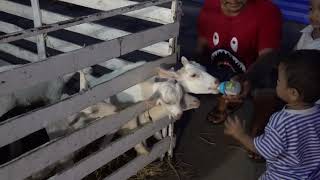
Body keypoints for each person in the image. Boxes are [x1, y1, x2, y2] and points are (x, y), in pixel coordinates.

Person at [224, 50, 320, 179]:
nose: (276, 83)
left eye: (279, 81)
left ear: (293, 93)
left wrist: (240, 134)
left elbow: (265, 150)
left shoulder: (281, 122)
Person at [196, 0, 282, 124]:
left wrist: (249, 78)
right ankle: (224, 100)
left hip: (250, 71)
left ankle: (259, 131)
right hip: (218, 67)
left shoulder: (268, 11)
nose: (234, 0)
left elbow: (269, 56)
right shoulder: (209, 6)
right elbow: (201, 45)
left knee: (268, 87)